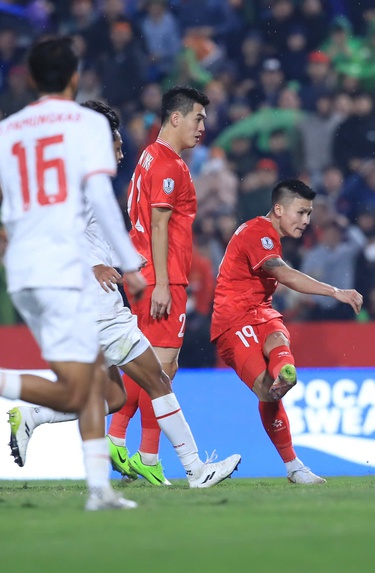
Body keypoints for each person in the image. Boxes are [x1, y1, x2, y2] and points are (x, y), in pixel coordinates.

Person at [7, 100, 240, 488]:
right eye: (114, 140)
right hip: (96, 301)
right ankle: (195, 469)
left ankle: (32, 415)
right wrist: (94, 266)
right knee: (158, 380)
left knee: (113, 398)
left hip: (87, 300)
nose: (120, 150)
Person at [0, 37, 144, 510]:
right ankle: (98, 489)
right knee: (80, 388)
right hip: (64, 269)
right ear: (74, 77)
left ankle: (99, 489)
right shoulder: (85, 125)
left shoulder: (8, 130)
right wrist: (131, 264)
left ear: (27, 78)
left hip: (23, 273)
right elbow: (101, 198)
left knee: (94, 385)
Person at [211, 179, 363, 484]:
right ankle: (292, 463)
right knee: (268, 394)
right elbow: (285, 274)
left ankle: (286, 374)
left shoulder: (268, 234)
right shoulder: (259, 232)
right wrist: (335, 291)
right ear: (278, 209)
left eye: (309, 214)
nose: (306, 221)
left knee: (278, 337)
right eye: (301, 212)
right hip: (233, 322)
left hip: (261, 312)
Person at [107, 85, 209, 485]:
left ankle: (129, 444)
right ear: (176, 117)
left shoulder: (149, 156)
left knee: (156, 366)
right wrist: (164, 283)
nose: (203, 127)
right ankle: (137, 449)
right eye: (198, 118)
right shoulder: (168, 164)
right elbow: (160, 223)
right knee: (160, 372)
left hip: (144, 272)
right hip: (162, 276)